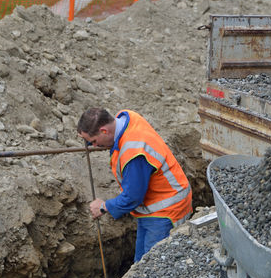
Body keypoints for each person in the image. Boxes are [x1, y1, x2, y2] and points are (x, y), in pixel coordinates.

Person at [77, 107, 193, 263]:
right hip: (152, 206)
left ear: (104, 131)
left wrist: (104, 207)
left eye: (93, 142)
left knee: (154, 267)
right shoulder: (128, 118)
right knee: (140, 264)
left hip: (166, 210)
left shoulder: (134, 153)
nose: (95, 147)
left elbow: (132, 197)